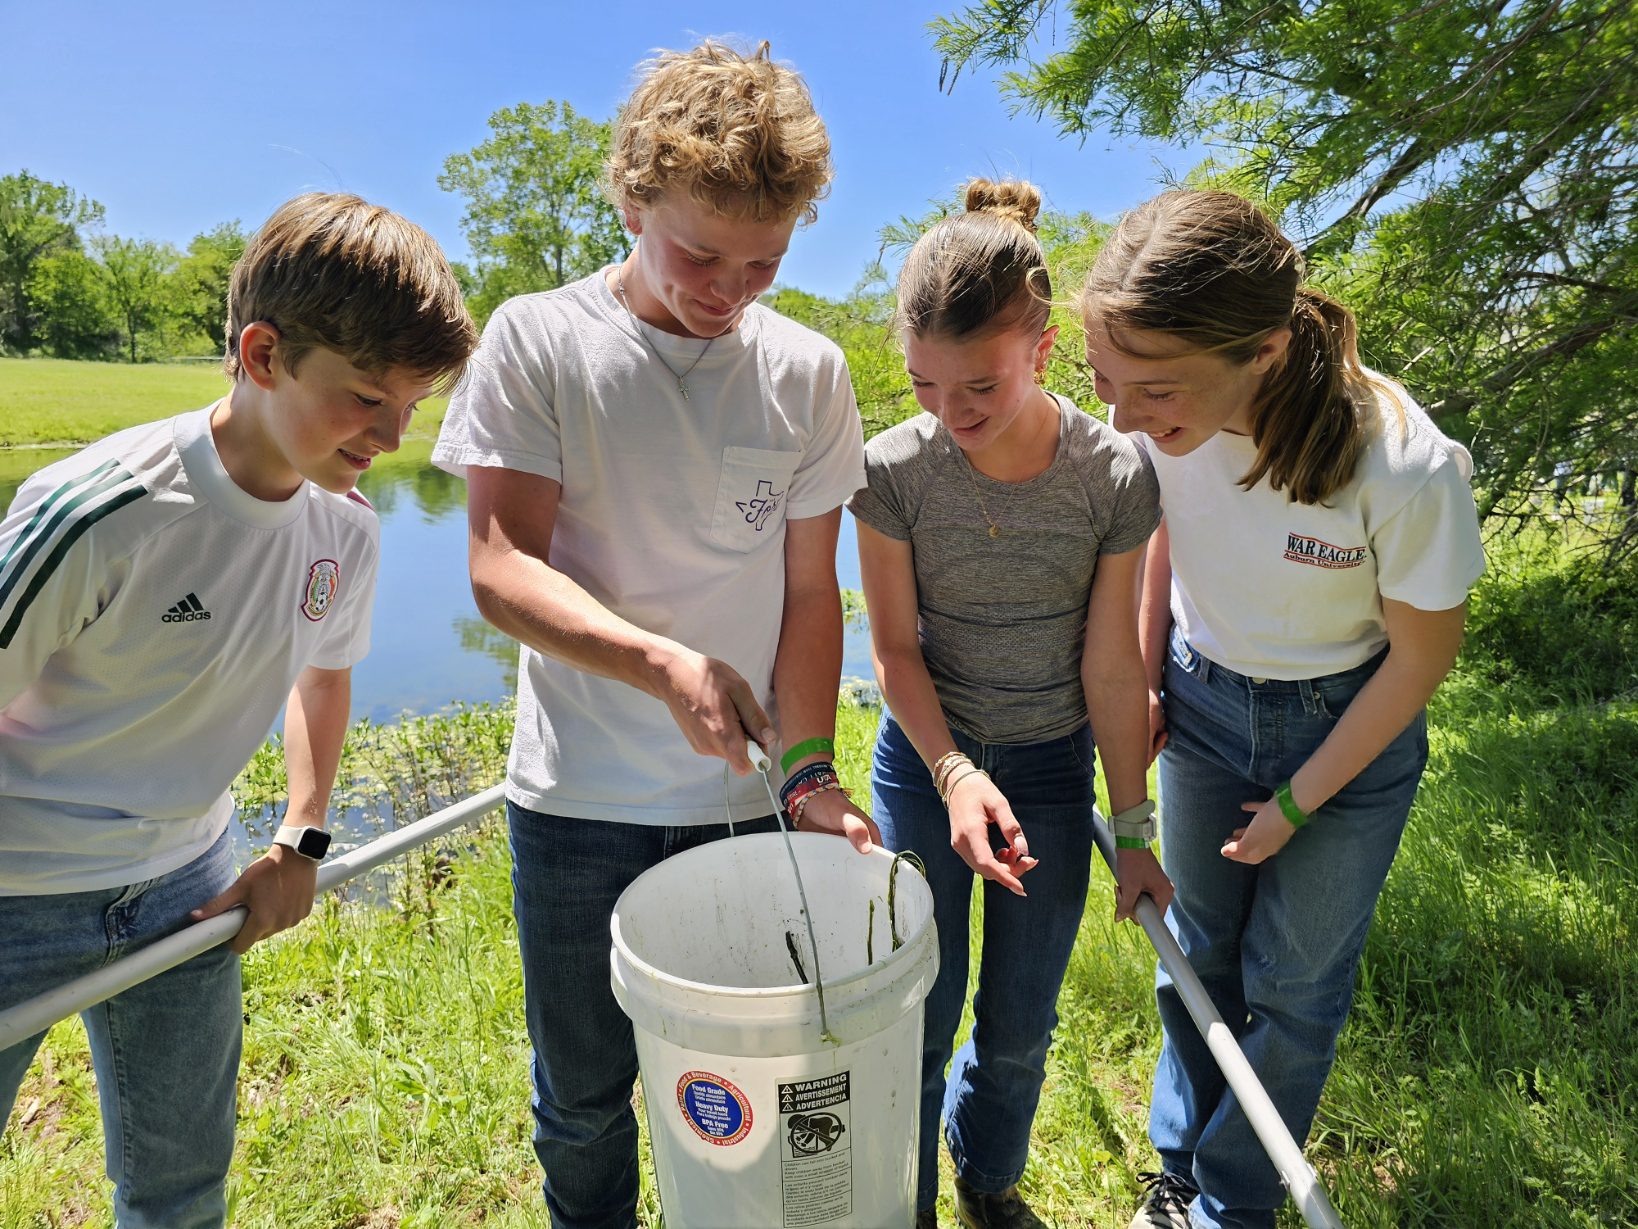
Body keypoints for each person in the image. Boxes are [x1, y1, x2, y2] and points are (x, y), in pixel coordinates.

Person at [431, 41, 876, 1229]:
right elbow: (496, 562)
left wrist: (811, 770)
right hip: (577, 799)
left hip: (741, 802)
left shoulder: (810, 372)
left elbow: (809, 596)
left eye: (764, 263)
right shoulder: (539, 340)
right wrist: (658, 661)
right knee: (583, 1095)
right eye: (699, 254)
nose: (730, 290)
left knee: (747, 1072)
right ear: (631, 198)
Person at [0, 193, 476, 1228]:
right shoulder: (103, 510)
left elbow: (325, 673)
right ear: (263, 355)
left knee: (180, 1188)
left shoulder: (344, 530)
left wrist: (301, 838)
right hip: (15, 890)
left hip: (188, 887)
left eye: (414, 405)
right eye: (364, 399)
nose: (394, 438)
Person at [1078, 189, 1485, 1229]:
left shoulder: (1399, 461)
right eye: (1104, 381)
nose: (1123, 417)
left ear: (1261, 350)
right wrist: (1155, 672)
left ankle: (1235, 1198)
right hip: (1207, 711)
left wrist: (1297, 803)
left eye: (1150, 388)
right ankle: (1183, 1164)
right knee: (1198, 950)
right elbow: (1173, 529)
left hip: (1348, 727)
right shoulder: (1171, 420)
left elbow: (1419, 661)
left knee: (1294, 981)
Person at [849, 179, 1174, 1229]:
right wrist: (950, 771)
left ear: (1042, 349)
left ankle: (987, 1181)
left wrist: (1132, 828)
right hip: (923, 758)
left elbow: (1114, 669)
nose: (950, 415)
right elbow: (894, 651)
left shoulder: (1115, 473)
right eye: (925, 386)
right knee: (918, 1010)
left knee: (1022, 1016)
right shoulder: (893, 470)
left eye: (978, 387)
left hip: (1044, 763)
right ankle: (903, 1206)